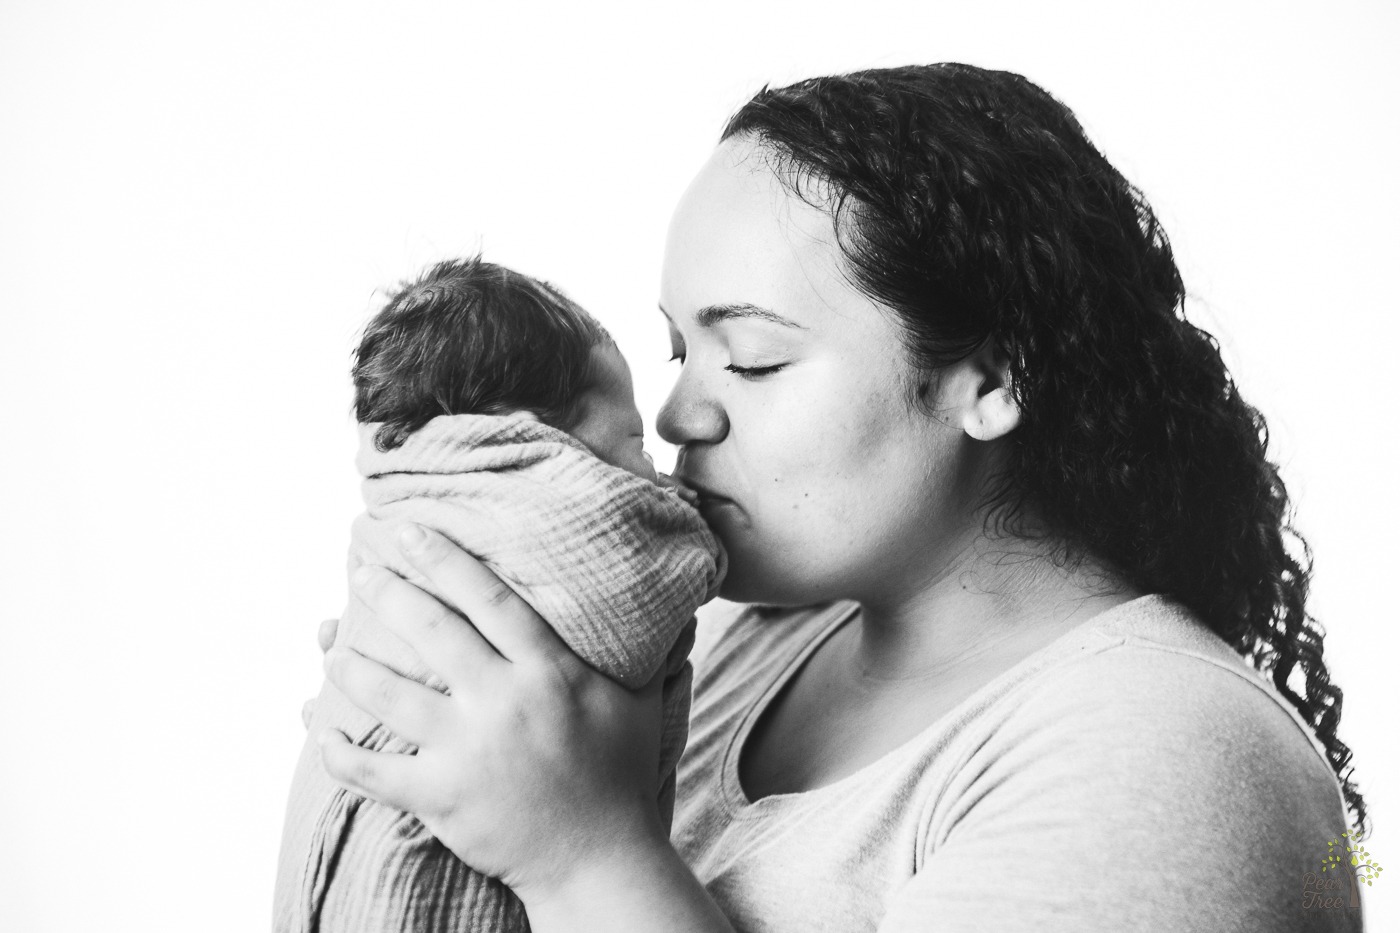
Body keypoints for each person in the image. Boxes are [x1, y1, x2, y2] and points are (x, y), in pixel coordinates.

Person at [311, 64, 1366, 931]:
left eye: (755, 360)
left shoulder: (1158, 760)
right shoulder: (736, 636)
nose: (676, 415)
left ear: (992, 381)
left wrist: (581, 857)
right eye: (678, 349)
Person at [275, 257, 725, 932]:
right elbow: (645, 591)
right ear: (521, 436)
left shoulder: (406, 501)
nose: (655, 458)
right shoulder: (535, 515)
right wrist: (688, 519)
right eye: (629, 442)